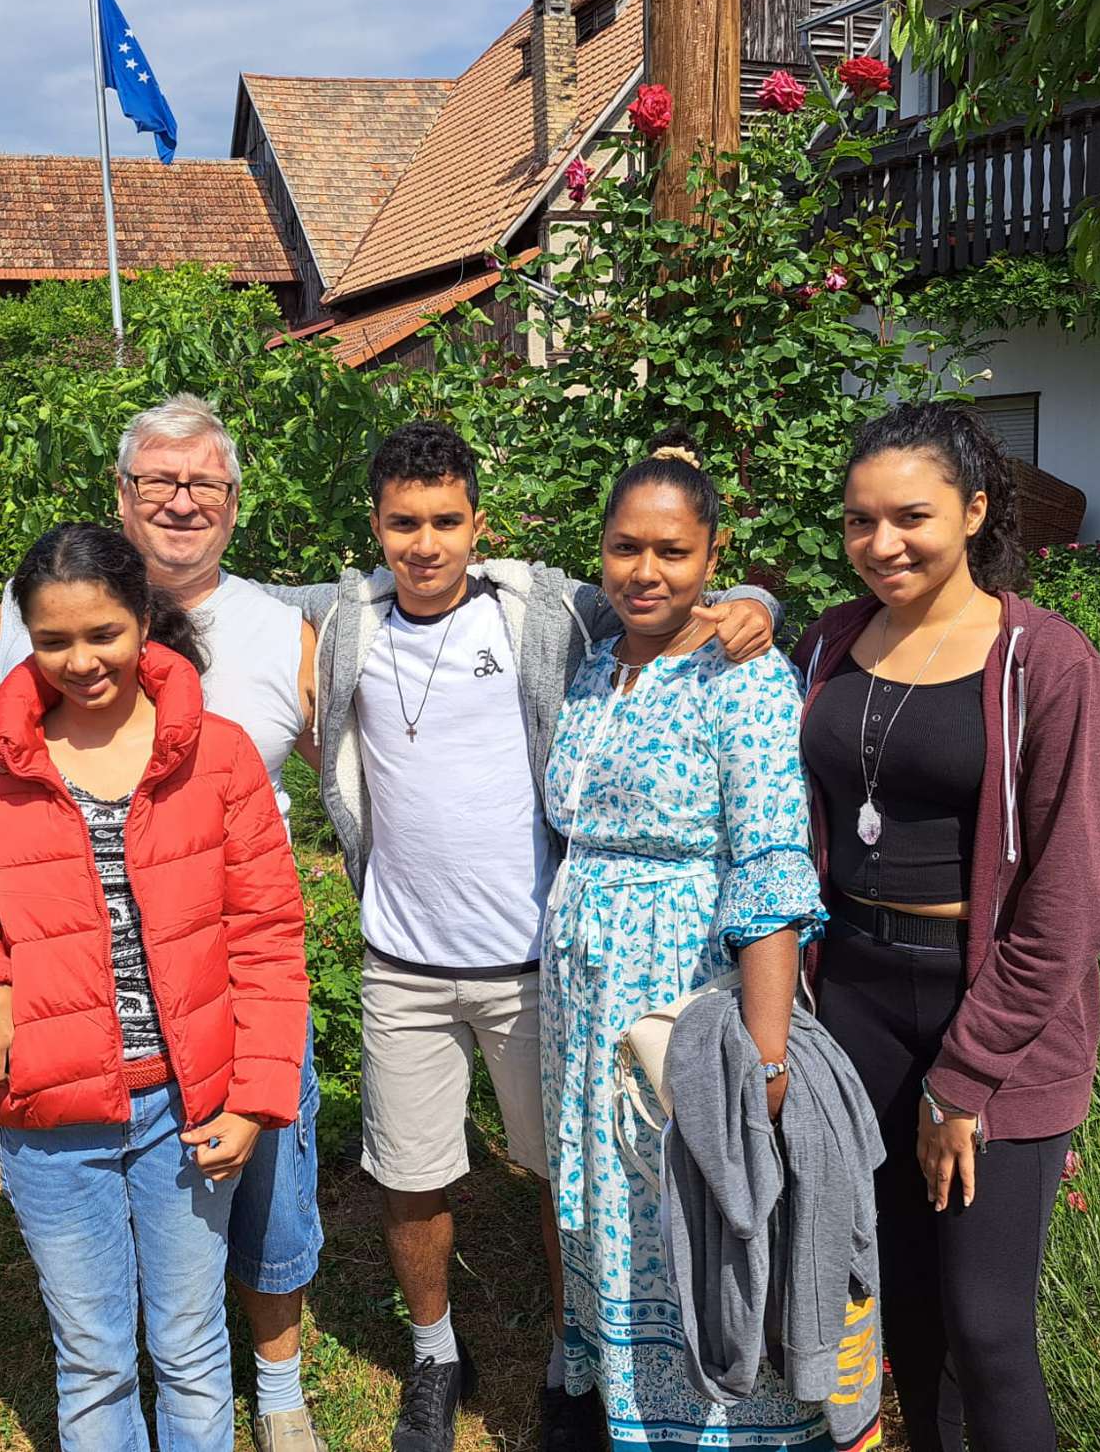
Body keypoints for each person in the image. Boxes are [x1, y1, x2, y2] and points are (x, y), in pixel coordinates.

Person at [294, 421, 778, 1452]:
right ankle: (434, 1356)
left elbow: (677, 599)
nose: (424, 544)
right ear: (374, 528)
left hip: (536, 967)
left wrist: (758, 604)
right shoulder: (343, 622)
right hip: (400, 964)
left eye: (445, 520)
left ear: (480, 524)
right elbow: (217, 596)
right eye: (402, 523)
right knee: (408, 1175)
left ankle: (576, 1350)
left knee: (574, 1174)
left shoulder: (549, 614)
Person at [0, 396, 329, 1452]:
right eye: (53, 641)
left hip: (185, 1096)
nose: (81, 658)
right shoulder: (0, 766)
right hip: (52, 1107)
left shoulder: (217, 753)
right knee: (94, 1353)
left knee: (189, 1341)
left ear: (142, 625)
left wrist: (254, 1094)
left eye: (102, 634)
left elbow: (267, 936)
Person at [794, 402, 1100, 1452]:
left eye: (911, 517)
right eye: (859, 521)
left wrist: (963, 1079)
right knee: (907, 1314)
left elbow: (1069, 906)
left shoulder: (1046, 665)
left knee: (987, 1331)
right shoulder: (828, 643)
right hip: (855, 1005)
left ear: (974, 512)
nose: (880, 543)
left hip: (989, 1020)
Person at [540, 446, 835, 1452]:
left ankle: (720, 1425)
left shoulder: (742, 678)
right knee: (605, 1199)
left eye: (672, 550)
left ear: (714, 555)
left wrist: (764, 1056)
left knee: (684, 1201)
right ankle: (623, 1408)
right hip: (582, 997)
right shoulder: (595, 666)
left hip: (679, 991)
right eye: (626, 547)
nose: (645, 571)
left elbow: (770, 866)